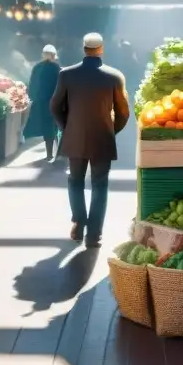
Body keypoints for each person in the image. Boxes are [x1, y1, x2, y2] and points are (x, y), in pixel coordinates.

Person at [50, 33, 130, 248]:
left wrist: (67, 127)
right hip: (103, 137)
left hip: (75, 137)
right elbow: (123, 112)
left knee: (75, 180)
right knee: (100, 185)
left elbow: (55, 105)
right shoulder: (114, 77)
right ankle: (94, 235)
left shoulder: (66, 74)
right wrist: (112, 130)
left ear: (84, 49)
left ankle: (78, 223)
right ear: (101, 49)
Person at [23, 44, 62, 162]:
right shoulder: (57, 68)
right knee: (57, 128)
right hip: (55, 102)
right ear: (53, 55)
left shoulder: (37, 67)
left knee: (47, 128)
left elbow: (32, 85)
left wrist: (33, 97)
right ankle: (59, 153)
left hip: (41, 103)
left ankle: (50, 154)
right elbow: (61, 85)